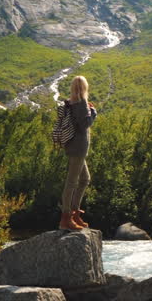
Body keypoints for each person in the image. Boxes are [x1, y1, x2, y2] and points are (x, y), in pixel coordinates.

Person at [59, 75, 97, 230]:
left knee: (84, 179)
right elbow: (85, 124)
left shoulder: (71, 102)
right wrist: (93, 112)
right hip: (79, 148)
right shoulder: (81, 103)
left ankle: (74, 213)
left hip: (74, 147)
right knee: (72, 182)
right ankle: (66, 218)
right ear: (84, 87)